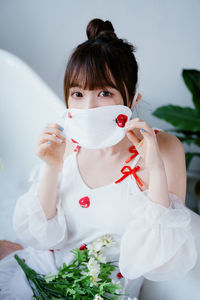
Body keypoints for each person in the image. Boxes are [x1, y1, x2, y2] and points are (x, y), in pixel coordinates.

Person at [0, 18, 197, 300]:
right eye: (78, 94)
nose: (88, 108)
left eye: (104, 93)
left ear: (131, 100)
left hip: (102, 291)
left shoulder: (163, 148)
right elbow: (41, 236)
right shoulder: (67, 138)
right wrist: (52, 166)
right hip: (45, 270)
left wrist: (154, 168)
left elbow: (162, 259)